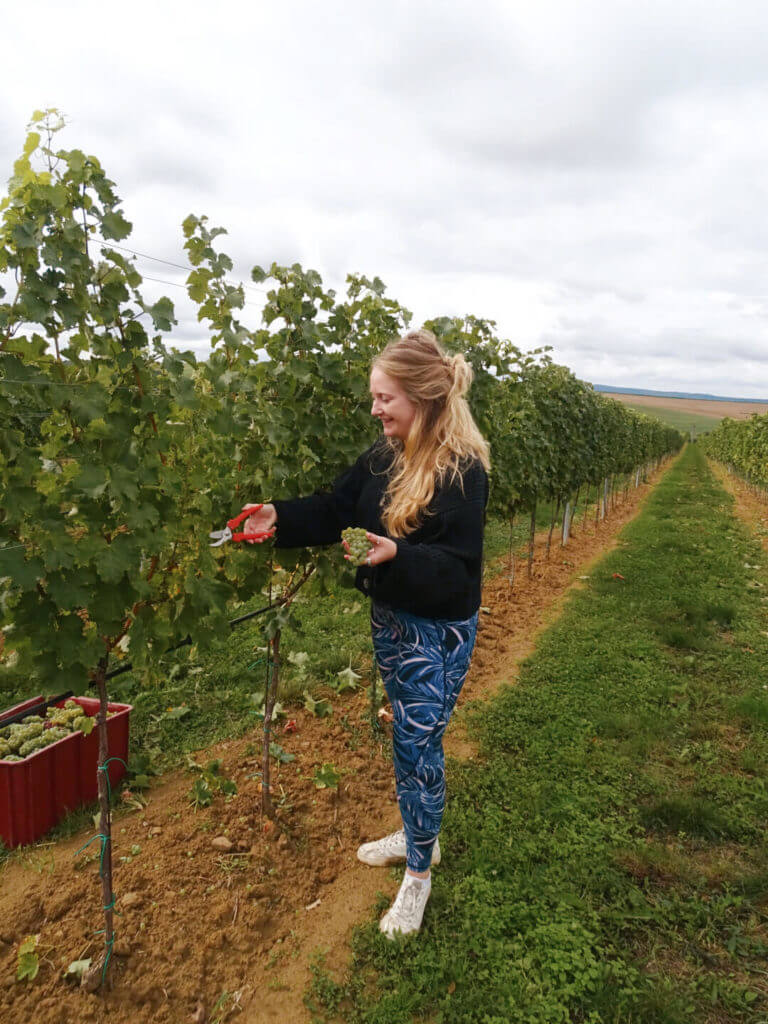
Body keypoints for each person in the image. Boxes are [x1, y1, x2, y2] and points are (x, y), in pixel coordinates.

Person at [242, 328, 490, 938]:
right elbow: (335, 508)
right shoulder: (384, 456)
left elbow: (457, 570)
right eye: (374, 398)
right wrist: (280, 516)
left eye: (385, 398)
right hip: (393, 624)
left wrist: (396, 555)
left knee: (416, 745)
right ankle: (415, 832)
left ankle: (419, 876)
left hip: (439, 633)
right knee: (408, 738)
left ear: (423, 398)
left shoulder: (463, 471)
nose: (375, 409)